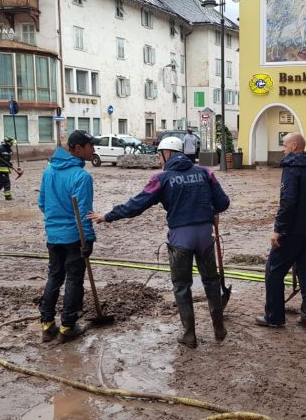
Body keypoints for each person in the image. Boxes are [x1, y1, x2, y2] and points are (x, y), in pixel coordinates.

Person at [88, 137, 230, 349]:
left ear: (168, 153)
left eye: (159, 154)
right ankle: (218, 328)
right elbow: (223, 202)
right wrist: (210, 210)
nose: (158, 158)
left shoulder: (161, 178)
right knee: (211, 281)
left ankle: (189, 335)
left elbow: (137, 205)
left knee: (182, 285)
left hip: (181, 237)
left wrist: (108, 216)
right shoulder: (205, 172)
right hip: (204, 236)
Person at [256, 133, 306, 328]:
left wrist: (278, 229)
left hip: (292, 230)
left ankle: (274, 317)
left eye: (285, 145)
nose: (282, 149)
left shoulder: (291, 168)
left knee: (274, 270)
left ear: (295, 146)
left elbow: (288, 201)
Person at [37, 130, 97, 343]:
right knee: (73, 279)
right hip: (74, 237)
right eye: (91, 146)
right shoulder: (82, 177)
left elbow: (42, 203)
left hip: (53, 236)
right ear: (78, 148)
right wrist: (88, 239)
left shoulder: (49, 171)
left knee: (54, 276)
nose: (93, 150)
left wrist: (56, 223)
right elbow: (84, 212)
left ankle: (47, 324)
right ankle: (68, 326)